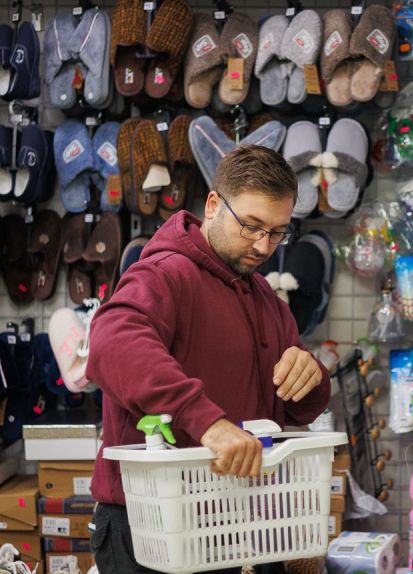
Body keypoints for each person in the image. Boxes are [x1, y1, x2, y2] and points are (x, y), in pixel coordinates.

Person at [86, 145, 332, 573]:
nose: (263, 245)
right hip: (151, 529)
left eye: (277, 232)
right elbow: (112, 340)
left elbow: (297, 406)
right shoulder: (164, 274)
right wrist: (208, 423)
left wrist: (312, 377)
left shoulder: (266, 301)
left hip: (237, 525)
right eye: (251, 226)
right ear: (214, 205)